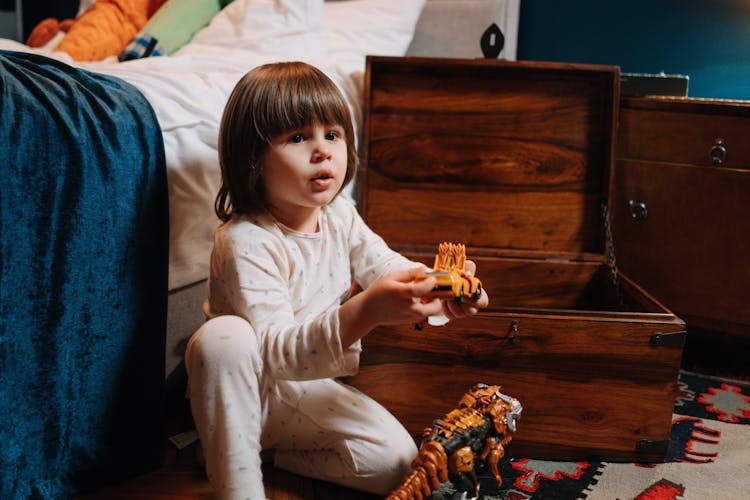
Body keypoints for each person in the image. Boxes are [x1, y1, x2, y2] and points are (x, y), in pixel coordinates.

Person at [185, 61, 489, 499]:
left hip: (305, 392)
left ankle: (259, 453)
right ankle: (237, 480)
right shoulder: (245, 240)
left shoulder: (340, 216)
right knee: (222, 338)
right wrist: (364, 311)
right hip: (244, 387)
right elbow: (274, 353)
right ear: (252, 158)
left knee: (398, 464)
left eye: (332, 135)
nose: (322, 151)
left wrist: (445, 290)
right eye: (297, 138)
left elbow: (388, 267)